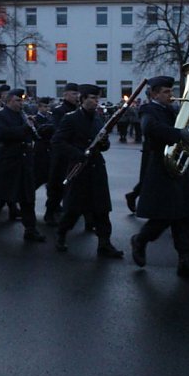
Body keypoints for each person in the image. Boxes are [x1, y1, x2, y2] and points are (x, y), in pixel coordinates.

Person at [129, 76, 189, 279]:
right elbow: (150, 128)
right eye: (165, 92)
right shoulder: (148, 110)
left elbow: (185, 128)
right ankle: (140, 239)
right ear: (154, 94)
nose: (170, 95)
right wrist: (179, 134)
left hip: (178, 166)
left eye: (171, 91)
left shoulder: (172, 110)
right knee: (164, 216)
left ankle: (186, 261)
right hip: (161, 167)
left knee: (184, 216)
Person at [52, 84, 123, 258]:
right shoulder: (71, 118)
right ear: (83, 99)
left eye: (98, 98)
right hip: (79, 168)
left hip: (96, 167)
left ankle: (104, 243)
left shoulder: (98, 118)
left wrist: (104, 143)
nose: (96, 101)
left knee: (102, 208)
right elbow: (58, 141)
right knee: (73, 209)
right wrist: (78, 154)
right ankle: (61, 235)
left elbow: (103, 145)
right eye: (93, 98)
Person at [0, 89, 46, 242]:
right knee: (0, 196)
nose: (21, 103)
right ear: (9, 101)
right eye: (17, 100)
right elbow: (1, 135)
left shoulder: (22, 115)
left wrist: (38, 129)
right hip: (7, 162)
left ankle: (30, 229)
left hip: (24, 161)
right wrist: (26, 127)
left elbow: (31, 136)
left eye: (21, 100)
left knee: (27, 198)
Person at [44, 83, 80, 224]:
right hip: (62, 153)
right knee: (57, 184)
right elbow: (58, 130)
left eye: (77, 94)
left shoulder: (78, 110)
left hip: (74, 152)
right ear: (65, 95)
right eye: (73, 94)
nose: (76, 96)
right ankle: (49, 212)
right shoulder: (59, 110)